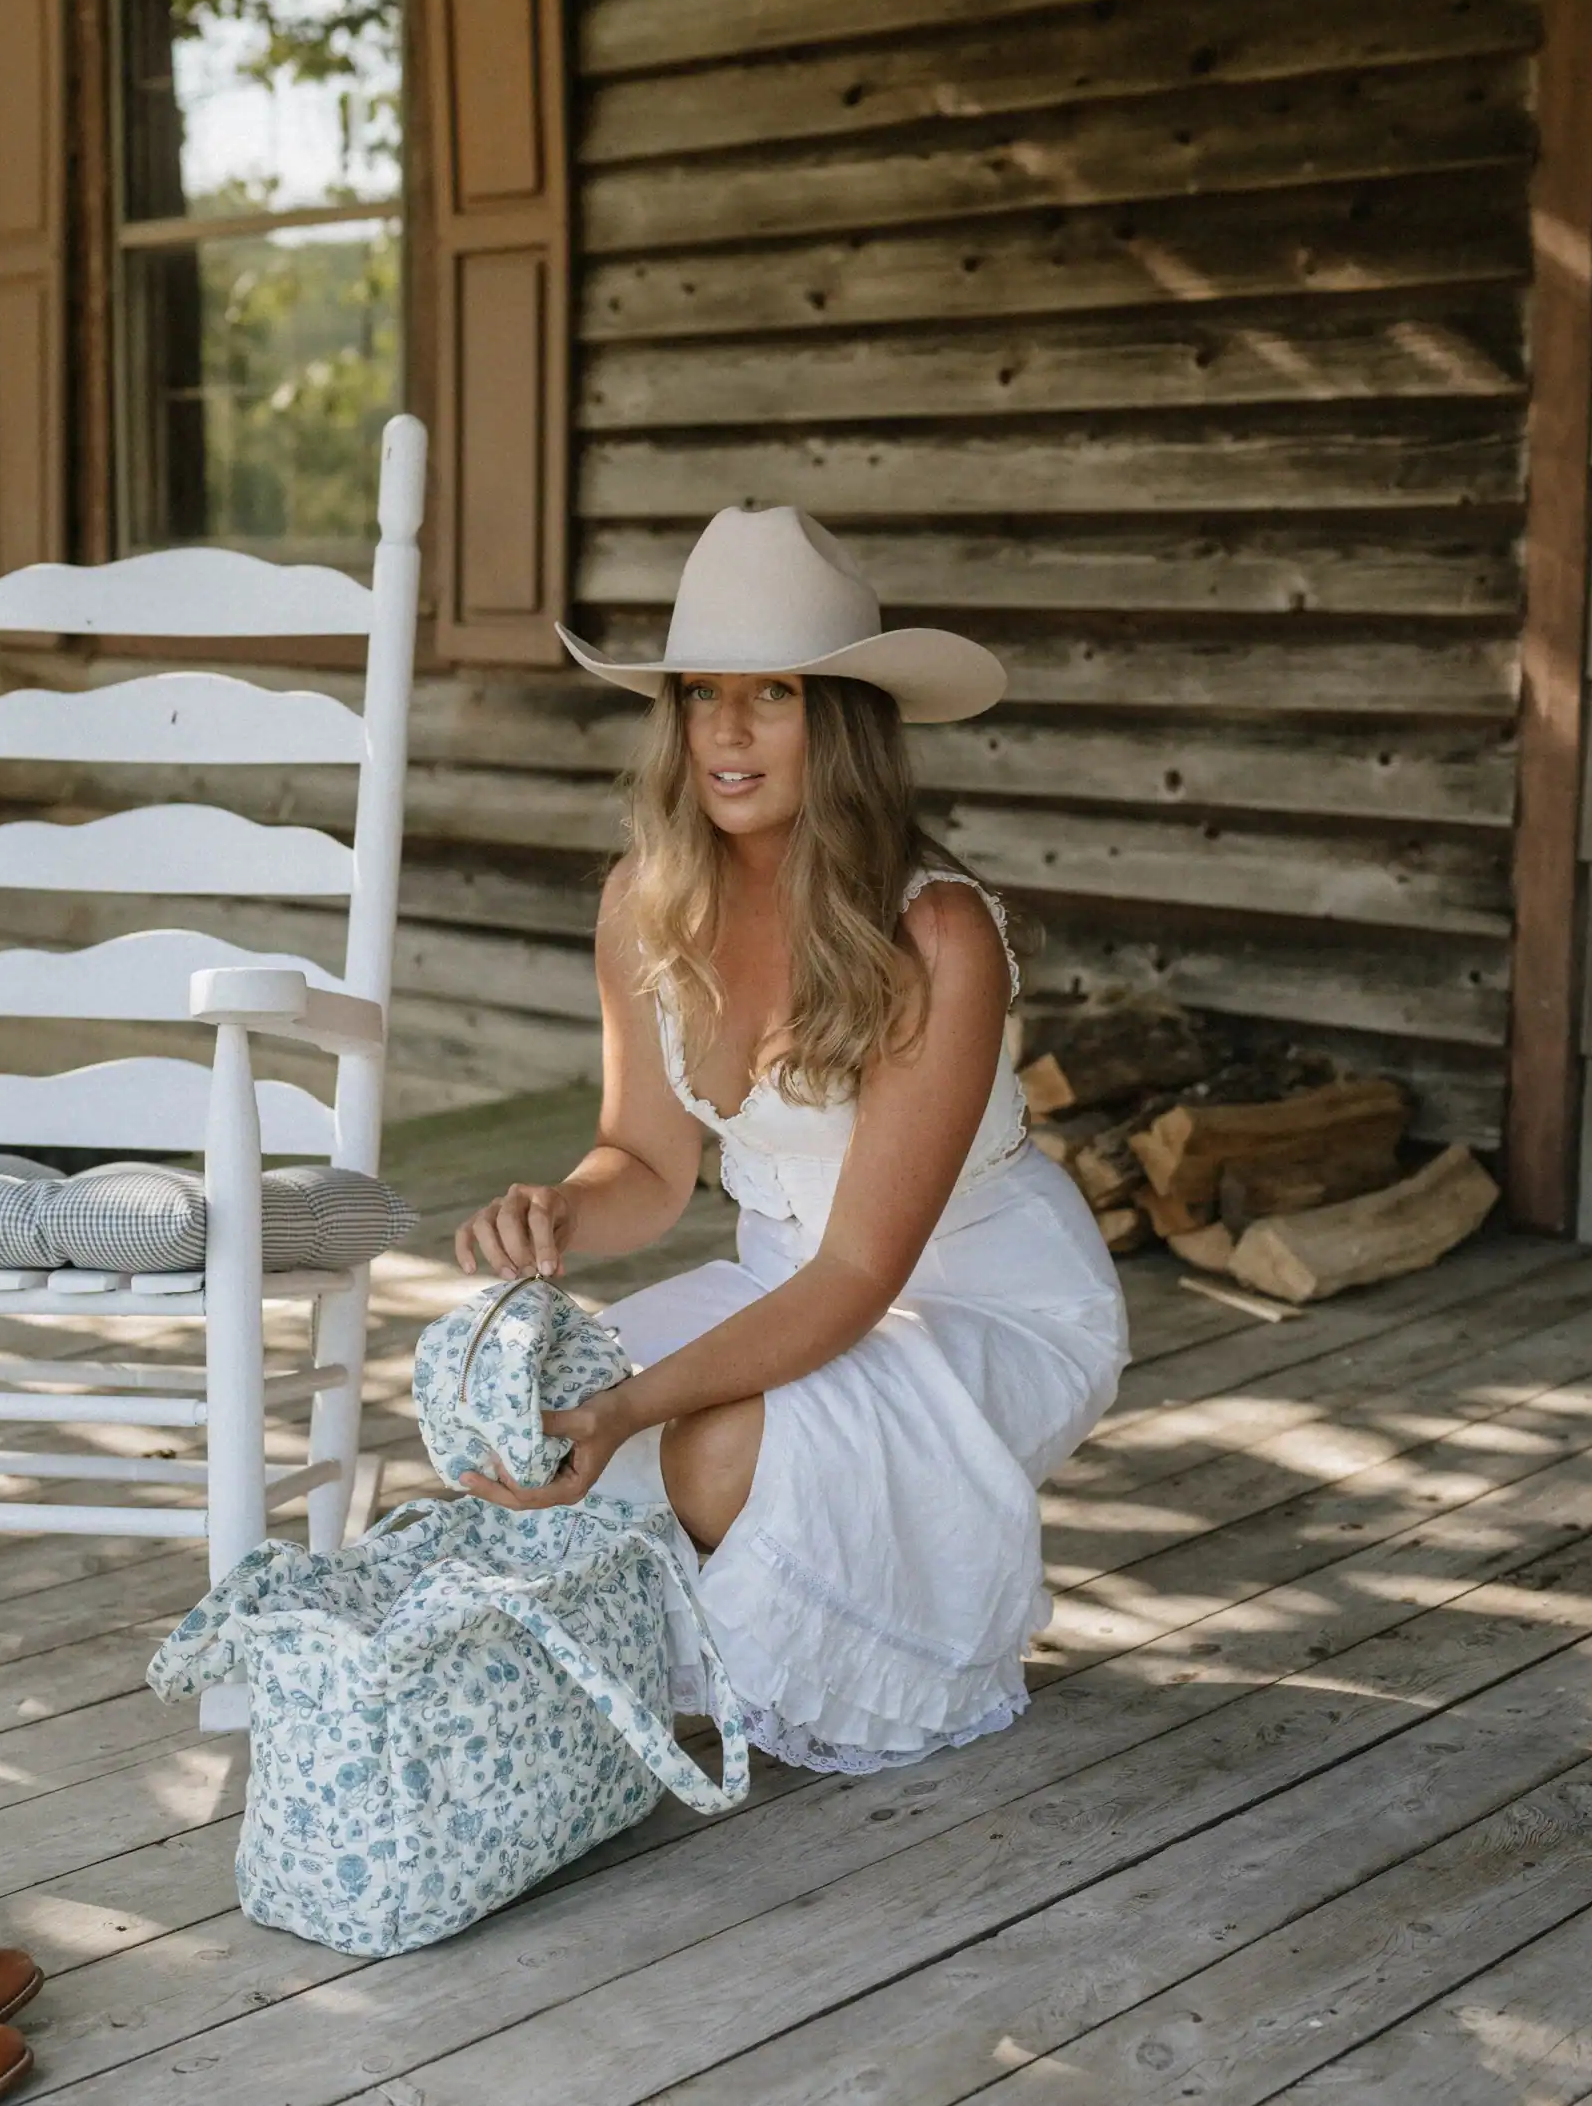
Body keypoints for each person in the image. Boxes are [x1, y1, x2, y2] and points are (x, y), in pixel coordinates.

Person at [454, 506, 1129, 1775]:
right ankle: (715, 1652)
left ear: (846, 720)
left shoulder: (935, 935)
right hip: (780, 1278)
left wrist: (637, 1403)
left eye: (773, 691)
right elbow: (645, 1171)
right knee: (522, 1425)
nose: (724, 728)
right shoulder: (640, 903)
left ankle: (843, 1641)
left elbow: (862, 1270)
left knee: (706, 1444)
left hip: (967, 1296)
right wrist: (551, 1209)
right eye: (701, 691)